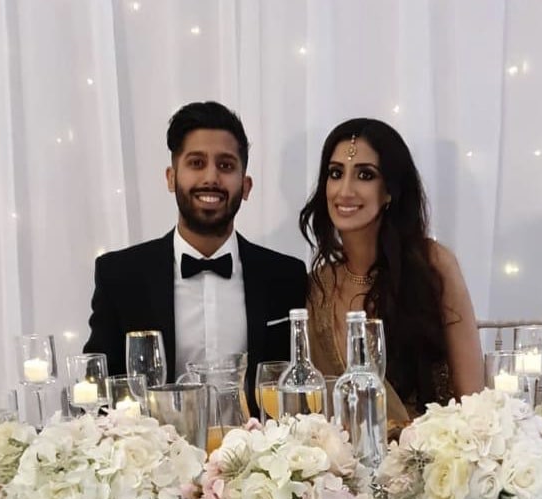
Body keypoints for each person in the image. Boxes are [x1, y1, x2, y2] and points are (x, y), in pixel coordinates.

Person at [84, 101, 307, 407]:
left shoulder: (286, 276)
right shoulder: (120, 275)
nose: (211, 178)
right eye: (196, 163)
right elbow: (99, 389)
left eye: (226, 165)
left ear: (246, 185)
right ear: (171, 177)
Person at [300, 118, 484, 432]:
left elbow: (474, 401)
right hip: (347, 471)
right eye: (335, 174)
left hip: (432, 462)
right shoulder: (321, 285)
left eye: (365, 175)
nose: (345, 190)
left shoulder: (433, 265)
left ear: (389, 191)